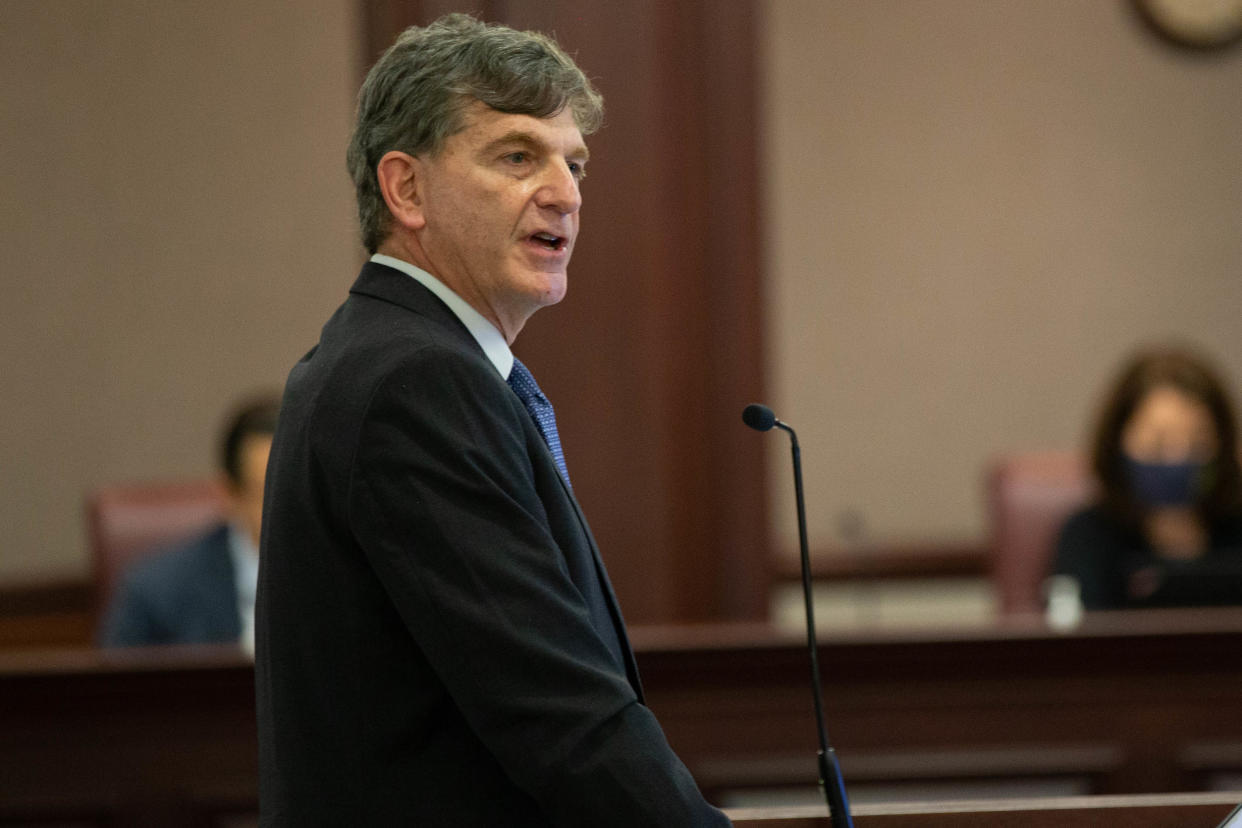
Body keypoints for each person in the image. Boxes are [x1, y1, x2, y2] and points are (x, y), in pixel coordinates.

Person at [256, 14, 730, 827]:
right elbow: (556, 708)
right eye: (517, 156)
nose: (567, 192)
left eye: (574, 163)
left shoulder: (384, 356)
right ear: (405, 189)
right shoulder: (416, 381)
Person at [1052, 345, 1242, 610]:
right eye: (1157, 442)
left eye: (1198, 441)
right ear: (1117, 441)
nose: (1177, 457)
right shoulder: (1087, 537)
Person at [101, 397, 278, 649]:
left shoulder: (343, 575)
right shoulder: (156, 594)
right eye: (268, 495)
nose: (291, 511)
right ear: (231, 495)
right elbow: (116, 686)